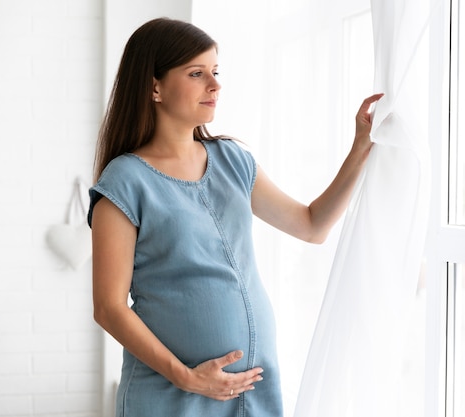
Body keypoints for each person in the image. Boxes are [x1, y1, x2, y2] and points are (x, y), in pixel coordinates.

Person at [88, 17, 383, 417]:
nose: (215, 85)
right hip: (172, 396)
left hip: (255, 390)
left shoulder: (234, 161)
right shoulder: (125, 181)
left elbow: (313, 225)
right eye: (196, 73)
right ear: (153, 86)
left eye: (215, 72)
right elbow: (108, 307)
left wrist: (360, 146)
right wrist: (186, 377)